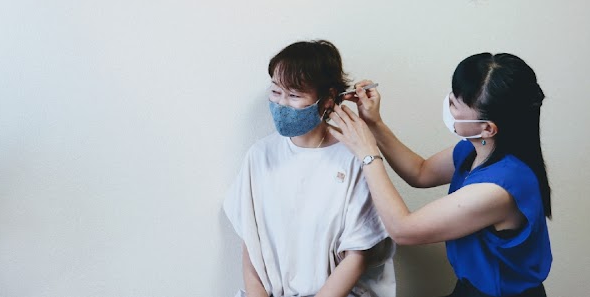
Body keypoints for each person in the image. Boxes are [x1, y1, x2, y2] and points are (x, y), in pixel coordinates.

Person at [328, 53, 552, 297]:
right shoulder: (476, 148)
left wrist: (367, 153)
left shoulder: (499, 188)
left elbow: (403, 230)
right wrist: (374, 124)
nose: (448, 104)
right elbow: (420, 172)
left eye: (455, 104)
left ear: (488, 128)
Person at [224, 40, 395, 297]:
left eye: (294, 95)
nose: (282, 104)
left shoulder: (355, 156)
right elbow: (251, 243)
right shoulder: (260, 155)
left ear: (327, 99)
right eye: (276, 91)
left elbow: (358, 255)